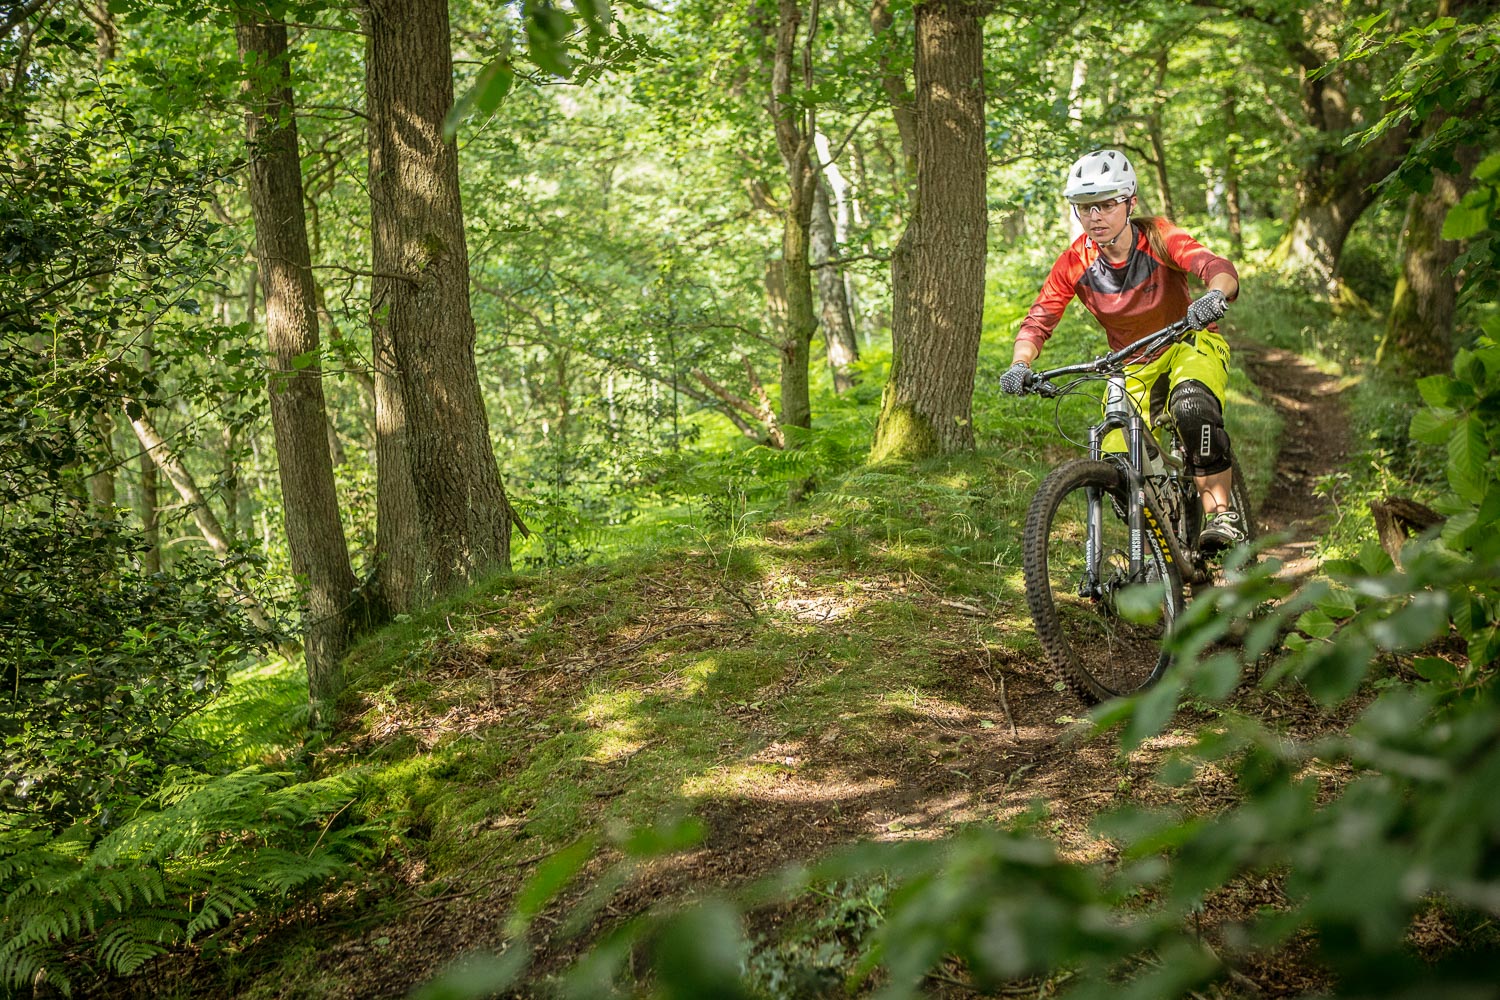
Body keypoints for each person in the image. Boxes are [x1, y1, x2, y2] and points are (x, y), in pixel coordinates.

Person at [1000, 149, 1246, 551]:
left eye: (1106, 205)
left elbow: (1215, 266)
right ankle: (1159, 551)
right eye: (1085, 207)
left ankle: (1222, 515)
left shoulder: (1159, 237)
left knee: (1192, 408)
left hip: (1188, 342)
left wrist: (1214, 295)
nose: (1095, 216)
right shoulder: (1075, 262)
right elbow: (1039, 318)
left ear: (1130, 203)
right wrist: (1019, 364)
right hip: (1131, 364)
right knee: (1115, 456)